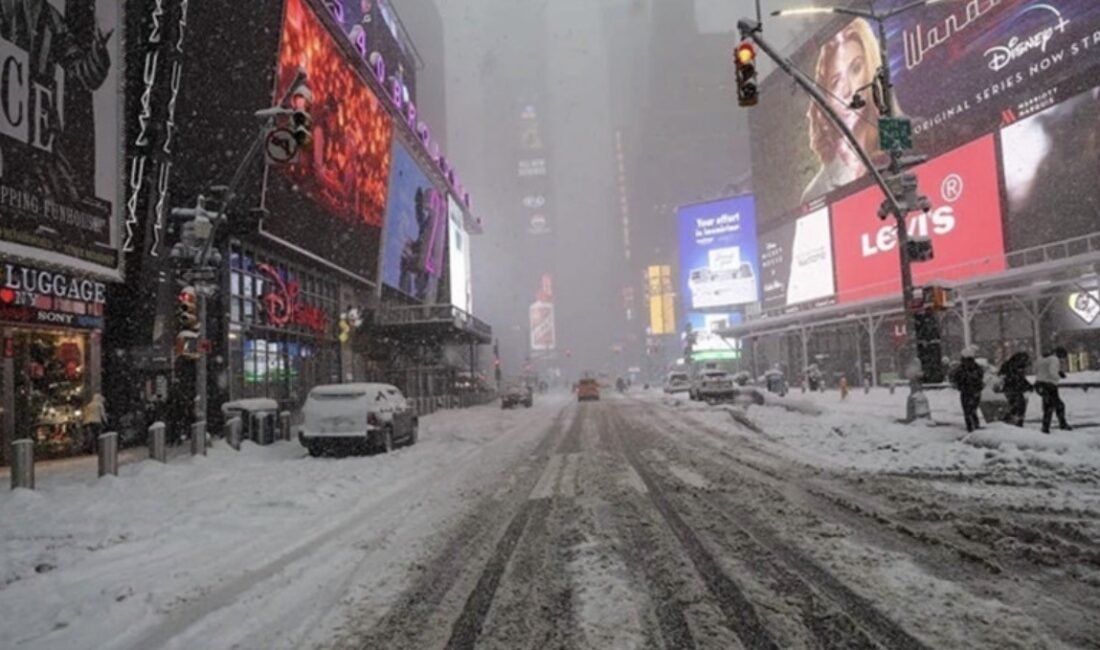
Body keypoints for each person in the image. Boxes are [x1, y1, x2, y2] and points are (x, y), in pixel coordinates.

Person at [803, 18, 898, 204]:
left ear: (871, 69)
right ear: (826, 99)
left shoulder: (902, 133)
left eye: (856, 69)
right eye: (836, 82)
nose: (847, 90)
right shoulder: (816, 192)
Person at [1035, 347, 1072, 434]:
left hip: (1039, 384)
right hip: (1049, 385)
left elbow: (1035, 369)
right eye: (1062, 357)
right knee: (1057, 406)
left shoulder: (1041, 358)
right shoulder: (1054, 359)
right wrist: (1059, 376)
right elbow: (1052, 372)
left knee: (1049, 405)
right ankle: (1054, 426)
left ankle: (1046, 427)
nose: (1062, 360)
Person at [951, 346, 985, 432]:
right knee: (973, 410)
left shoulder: (961, 369)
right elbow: (981, 377)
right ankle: (975, 426)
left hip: (966, 391)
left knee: (967, 411)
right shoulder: (977, 368)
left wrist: (959, 385)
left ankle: (971, 427)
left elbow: (955, 378)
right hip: (975, 391)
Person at [998, 351, 1032, 427]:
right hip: (1014, 388)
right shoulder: (1016, 365)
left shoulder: (1009, 364)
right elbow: (1019, 378)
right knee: (1019, 405)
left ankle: (1011, 419)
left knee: (1015, 405)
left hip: (1009, 388)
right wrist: (1028, 386)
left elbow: (1001, 374)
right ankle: (1017, 421)